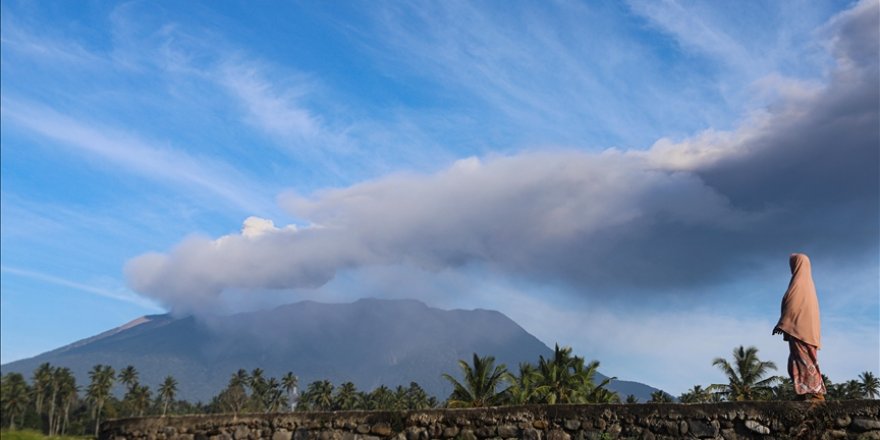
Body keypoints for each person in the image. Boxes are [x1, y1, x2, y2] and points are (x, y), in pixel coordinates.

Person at [772, 253, 826, 401]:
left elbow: (792, 306)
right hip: (803, 331)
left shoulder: (799, 284)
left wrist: (782, 323)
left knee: (806, 361)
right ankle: (803, 393)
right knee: (797, 361)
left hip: (801, 331)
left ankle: (816, 393)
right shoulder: (807, 284)